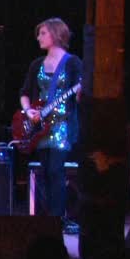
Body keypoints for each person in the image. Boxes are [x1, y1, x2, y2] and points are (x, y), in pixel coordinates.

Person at [19, 17, 82, 233]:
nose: (39, 37)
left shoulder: (73, 63)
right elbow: (24, 93)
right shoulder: (36, 64)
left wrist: (81, 93)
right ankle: (47, 220)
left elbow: (79, 95)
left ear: (56, 34)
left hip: (62, 127)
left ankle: (57, 220)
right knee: (44, 172)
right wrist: (28, 111)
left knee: (56, 171)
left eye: (43, 33)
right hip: (41, 128)